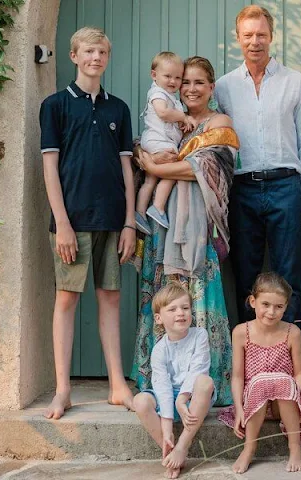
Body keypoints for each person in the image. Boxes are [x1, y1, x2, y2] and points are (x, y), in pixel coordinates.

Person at [39, 27, 137, 419]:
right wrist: (61, 222)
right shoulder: (56, 105)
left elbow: (127, 168)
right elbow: (49, 167)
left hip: (113, 220)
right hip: (72, 221)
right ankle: (63, 389)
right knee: (67, 299)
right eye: (89, 51)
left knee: (110, 297)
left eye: (102, 52)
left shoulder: (119, 109)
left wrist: (130, 222)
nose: (96, 57)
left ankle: (117, 384)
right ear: (74, 56)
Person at [131, 56, 239, 408]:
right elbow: (146, 146)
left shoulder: (218, 122)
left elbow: (204, 168)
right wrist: (144, 158)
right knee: (165, 296)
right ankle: (159, 378)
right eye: (186, 82)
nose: (191, 88)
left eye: (199, 83)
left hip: (198, 228)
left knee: (198, 294)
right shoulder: (173, 116)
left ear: (211, 87)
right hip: (164, 225)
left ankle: (204, 381)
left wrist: (154, 166)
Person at [214, 5, 301, 328]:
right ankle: (252, 363)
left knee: (289, 277)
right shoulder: (224, 87)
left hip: (286, 188)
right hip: (241, 190)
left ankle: (289, 363)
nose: (255, 41)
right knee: (246, 276)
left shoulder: (294, 82)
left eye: (261, 34)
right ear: (237, 39)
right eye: (248, 35)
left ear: (272, 36)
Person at [218, 272, 301, 474]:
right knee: (262, 382)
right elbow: (238, 376)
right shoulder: (241, 332)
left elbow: (299, 374)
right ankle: (249, 448)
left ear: (286, 307)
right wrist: (239, 408)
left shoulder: (292, 332)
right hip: (253, 405)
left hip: (284, 405)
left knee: (282, 380)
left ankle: (295, 446)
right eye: (265, 304)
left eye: (278, 306)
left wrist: (300, 404)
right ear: (253, 301)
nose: (271, 312)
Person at [133, 282, 216, 479]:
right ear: (159, 318)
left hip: (192, 396)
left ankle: (182, 446)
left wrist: (182, 399)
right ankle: (169, 449)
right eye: (173, 309)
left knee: (205, 382)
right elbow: (162, 388)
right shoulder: (159, 350)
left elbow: (198, 369)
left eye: (185, 308)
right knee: (140, 401)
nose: (181, 313)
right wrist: (167, 426)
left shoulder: (199, 335)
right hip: (168, 397)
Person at [135, 52, 197, 235]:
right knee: (174, 167)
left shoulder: (171, 98)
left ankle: (139, 213)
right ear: (154, 75)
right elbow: (162, 113)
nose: (173, 81)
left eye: (178, 77)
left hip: (155, 141)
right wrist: (184, 116)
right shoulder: (157, 93)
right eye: (168, 76)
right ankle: (158, 207)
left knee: (150, 179)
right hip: (158, 141)